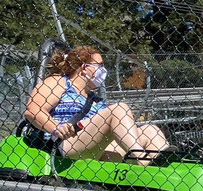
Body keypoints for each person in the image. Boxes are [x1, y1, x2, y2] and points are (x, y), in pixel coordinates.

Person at [23, 45, 168, 165]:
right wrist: (56, 128)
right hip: (66, 142)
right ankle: (144, 161)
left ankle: (166, 170)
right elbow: (32, 110)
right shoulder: (59, 82)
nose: (103, 71)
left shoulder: (95, 99)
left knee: (150, 130)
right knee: (119, 108)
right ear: (84, 67)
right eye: (99, 66)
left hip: (97, 149)